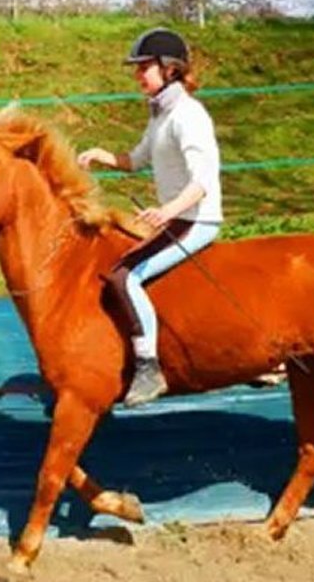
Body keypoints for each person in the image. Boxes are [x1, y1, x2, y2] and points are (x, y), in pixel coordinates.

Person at [77, 28, 223, 407]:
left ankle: (148, 367)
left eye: (145, 67)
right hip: (177, 219)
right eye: (137, 68)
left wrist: (167, 211)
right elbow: (137, 160)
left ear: (170, 70)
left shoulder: (188, 116)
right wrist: (101, 155)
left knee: (124, 277)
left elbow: (203, 181)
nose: (138, 74)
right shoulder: (161, 115)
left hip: (196, 221)